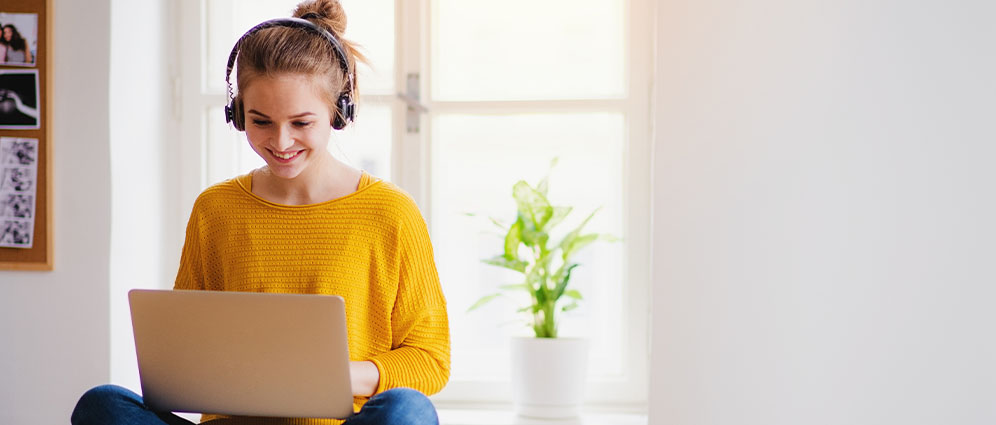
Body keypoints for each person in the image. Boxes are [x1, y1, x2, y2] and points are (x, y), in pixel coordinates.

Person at [69, 1, 450, 424]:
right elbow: (183, 353)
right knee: (101, 405)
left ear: (339, 111)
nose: (281, 141)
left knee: (408, 410)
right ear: (237, 114)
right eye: (261, 121)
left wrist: (326, 377)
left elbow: (430, 360)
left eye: (301, 123)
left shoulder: (390, 213)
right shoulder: (216, 209)